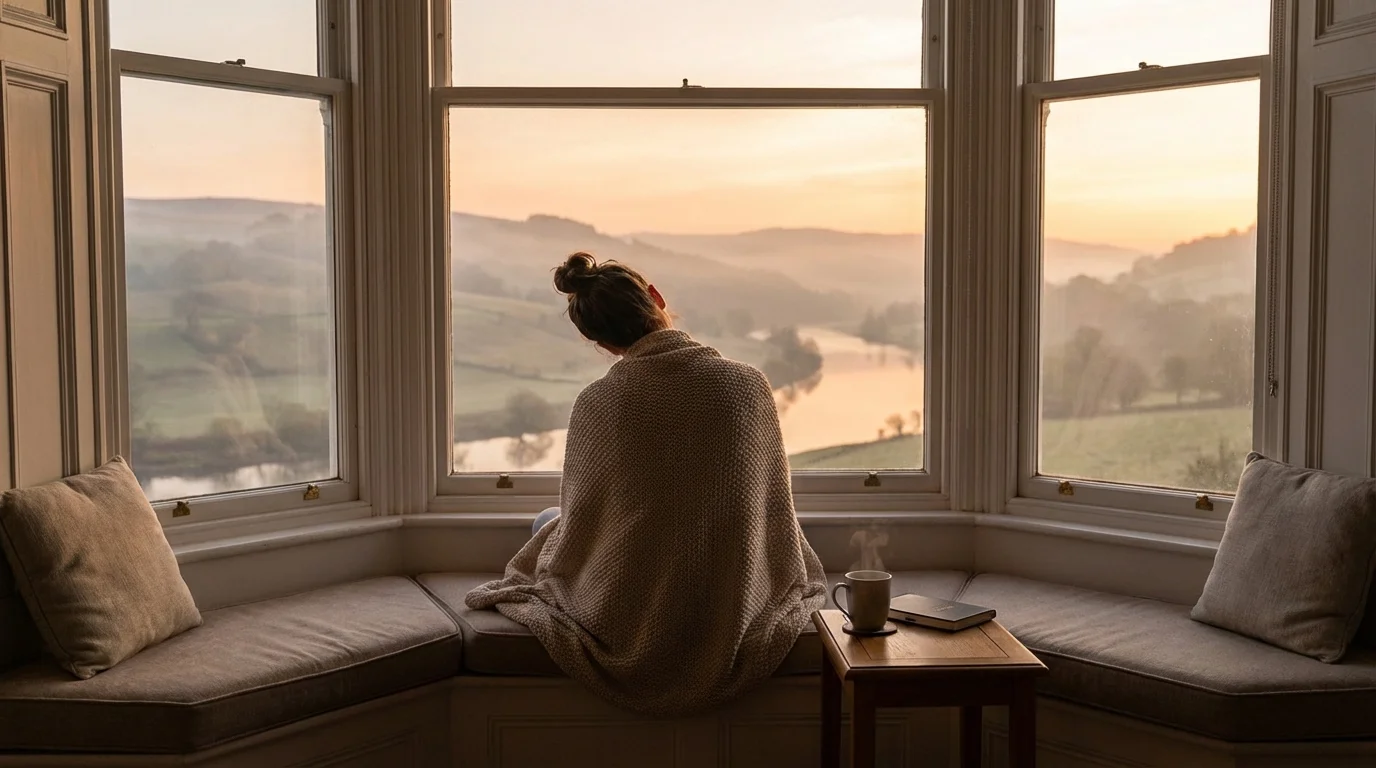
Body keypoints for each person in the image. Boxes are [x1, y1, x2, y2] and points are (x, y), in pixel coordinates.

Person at [466, 252, 826, 716]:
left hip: (627, 588)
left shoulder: (598, 402)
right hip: (729, 584)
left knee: (548, 521)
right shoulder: (747, 385)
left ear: (598, 339)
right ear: (656, 298)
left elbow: (582, 521)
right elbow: (773, 507)